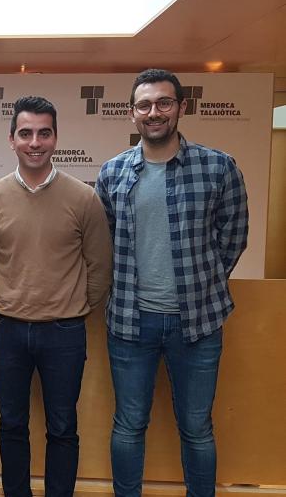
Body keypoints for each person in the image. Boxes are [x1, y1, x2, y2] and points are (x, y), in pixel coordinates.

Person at [95, 69, 249, 497]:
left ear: (181, 107)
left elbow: (234, 236)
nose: (154, 112)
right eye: (144, 105)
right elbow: (103, 243)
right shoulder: (113, 172)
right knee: (129, 425)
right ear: (132, 113)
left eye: (164, 102)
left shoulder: (218, 167)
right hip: (130, 323)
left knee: (197, 428)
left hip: (197, 324)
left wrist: (203, 284)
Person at [0, 96, 112, 497]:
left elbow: (100, 266)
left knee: (63, 427)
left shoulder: (83, 198)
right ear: (11, 139)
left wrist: (71, 308)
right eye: (26, 133)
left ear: (55, 138)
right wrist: (5, 302)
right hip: (7, 330)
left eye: (43, 133)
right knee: (11, 425)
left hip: (64, 332)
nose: (35, 142)